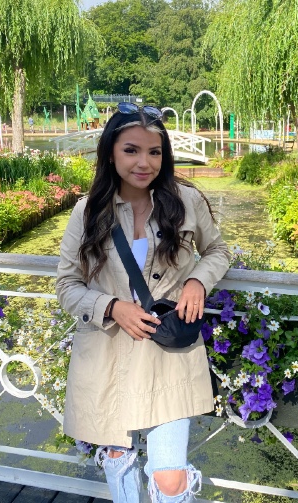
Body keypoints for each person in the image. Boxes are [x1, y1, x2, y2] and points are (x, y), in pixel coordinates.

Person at [56, 102, 231, 503]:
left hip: (166, 355)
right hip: (108, 353)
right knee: (119, 460)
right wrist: (111, 307)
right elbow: (67, 284)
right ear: (111, 153)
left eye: (155, 152)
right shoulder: (88, 211)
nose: (144, 162)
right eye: (131, 150)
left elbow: (218, 251)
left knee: (170, 479)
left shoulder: (185, 201)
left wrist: (196, 282)